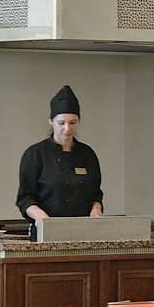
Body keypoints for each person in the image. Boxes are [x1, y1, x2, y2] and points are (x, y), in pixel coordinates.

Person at [17, 86, 105, 223]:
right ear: (51, 121)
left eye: (72, 122)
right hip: (47, 229)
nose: (67, 128)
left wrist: (96, 208)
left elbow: (96, 194)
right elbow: (25, 198)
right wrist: (41, 217)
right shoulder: (35, 154)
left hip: (84, 228)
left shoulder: (87, 154)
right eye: (61, 123)